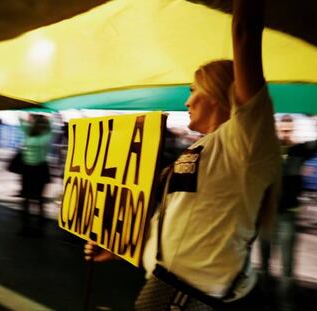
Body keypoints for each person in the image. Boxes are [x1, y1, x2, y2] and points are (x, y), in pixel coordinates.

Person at [85, 0, 281, 310]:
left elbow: (245, 32)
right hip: (166, 288)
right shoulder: (204, 147)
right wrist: (122, 246)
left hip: (189, 298)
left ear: (219, 94)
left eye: (193, 90)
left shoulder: (244, 141)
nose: (187, 101)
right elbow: (179, 220)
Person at [259, 114, 317, 311]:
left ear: (293, 130)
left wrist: (315, 120)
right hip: (266, 215)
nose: (286, 132)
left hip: (288, 215)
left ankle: (285, 304)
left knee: (287, 266)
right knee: (263, 263)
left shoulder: (300, 150)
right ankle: (263, 302)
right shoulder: (268, 151)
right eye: (283, 129)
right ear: (278, 129)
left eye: (289, 129)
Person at [19, 113, 52, 236]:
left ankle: (25, 226)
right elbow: (51, 128)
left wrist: (27, 115)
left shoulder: (28, 133)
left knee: (27, 199)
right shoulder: (45, 136)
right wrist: (49, 119)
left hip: (28, 170)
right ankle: (39, 228)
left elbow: (21, 121)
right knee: (39, 200)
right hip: (40, 170)